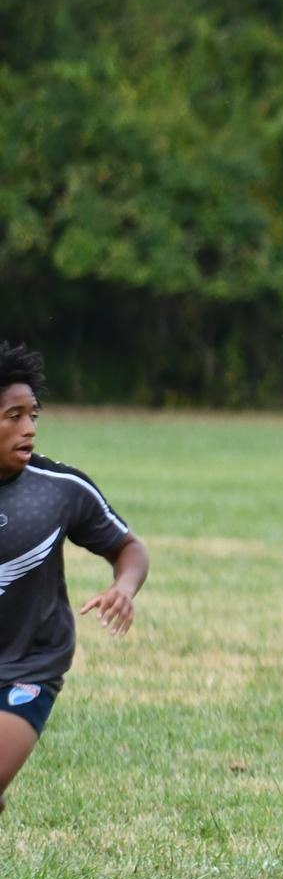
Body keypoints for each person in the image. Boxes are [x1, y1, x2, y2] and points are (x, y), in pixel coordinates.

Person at [0, 342, 150, 817]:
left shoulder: (59, 489)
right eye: (13, 416)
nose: (29, 429)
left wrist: (123, 588)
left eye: (33, 415)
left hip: (29, 666)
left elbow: (129, 548)